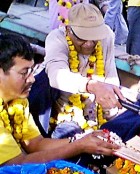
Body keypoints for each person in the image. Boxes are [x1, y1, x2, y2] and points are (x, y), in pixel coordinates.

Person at [0, 33, 120, 166]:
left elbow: (36, 144)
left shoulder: (18, 101)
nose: (32, 79)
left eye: (31, 71)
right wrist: (79, 146)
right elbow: (15, 165)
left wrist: (84, 139)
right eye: (24, 73)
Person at [44, 3, 125, 138]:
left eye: (94, 38)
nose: (88, 44)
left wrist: (113, 110)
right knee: (68, 134)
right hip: (67, 116)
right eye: (82, 38)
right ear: (69, 30)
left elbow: (111, 77)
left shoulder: (106, 36)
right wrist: (91, 86)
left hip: (99, 115)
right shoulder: (57, 38)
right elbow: (56, 75)